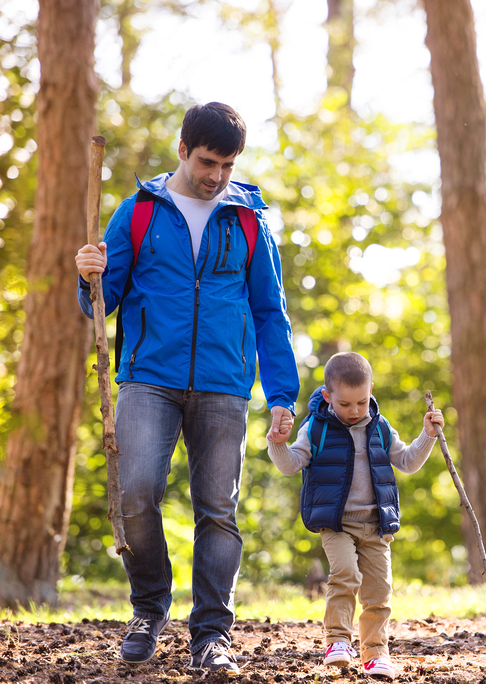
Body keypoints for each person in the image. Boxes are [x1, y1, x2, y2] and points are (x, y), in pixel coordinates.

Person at [75, 102, 299, 672]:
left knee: (217, 510)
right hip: (149, 377)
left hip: (225, 385)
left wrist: (281, 396)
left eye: (227, 164)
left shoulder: (249, 220)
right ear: (182, 149)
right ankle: (150, 608)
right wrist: (88, 277)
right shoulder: (139, 212)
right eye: (207, 161)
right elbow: (102, 302)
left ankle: (212, 633)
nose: (216, 175)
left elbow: (270, 312)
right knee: (136, 493)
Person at [265, 351, 443, 680]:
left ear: (370, 390)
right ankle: (338, 642)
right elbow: (290, 465)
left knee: (379, 591)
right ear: (328, 396)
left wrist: (427, 436)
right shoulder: (315, 428)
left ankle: (375, 653)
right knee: (345, 574)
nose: (354, 411)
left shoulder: (380, 426)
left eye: (361, 402)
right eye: (345, 404)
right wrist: (277, 443)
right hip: (336, 523)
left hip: (376, 524)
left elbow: (406, 461)